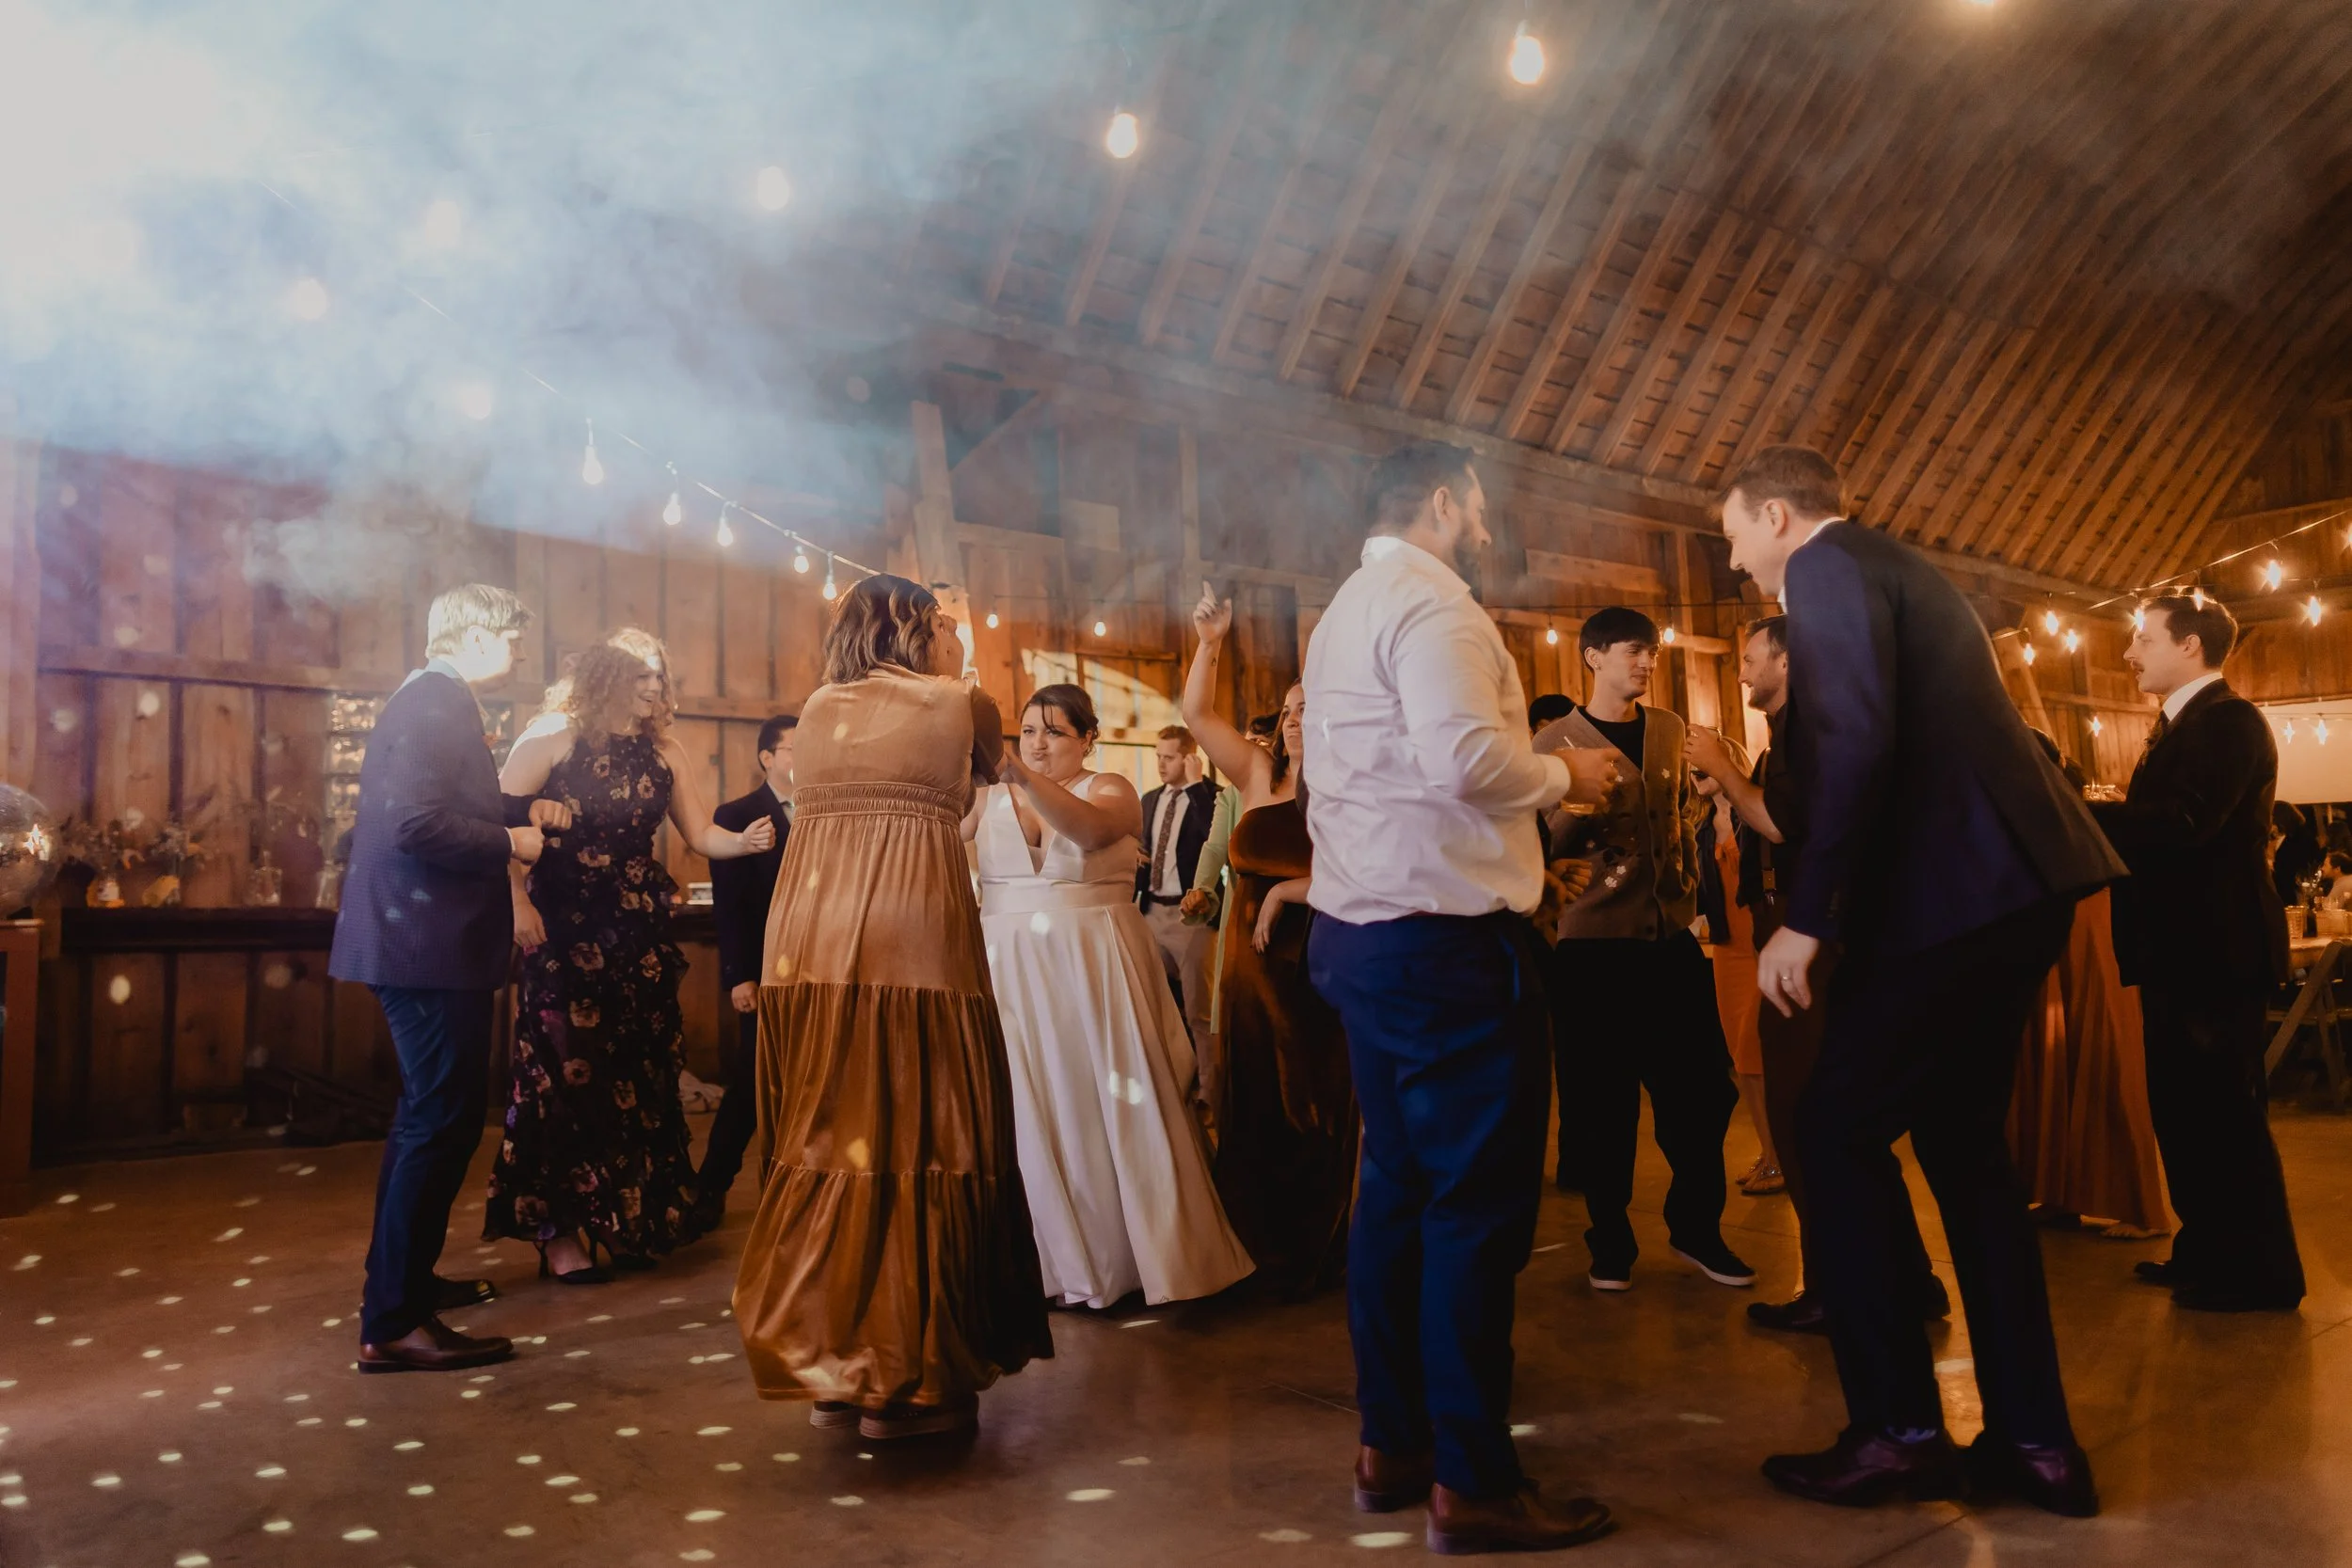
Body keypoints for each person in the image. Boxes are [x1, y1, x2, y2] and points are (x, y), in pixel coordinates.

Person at [1721, 445, 2123, 1518]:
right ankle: (2035, 1443)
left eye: (1734, 536)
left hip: (1957, 898)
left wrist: (1807, 917)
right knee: (1962, 1148)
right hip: (2006, 890)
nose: (1738, 562)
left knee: (1834, 1128)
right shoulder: (1891, 566)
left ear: (1774, 513)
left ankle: (1897, 1429)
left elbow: (1858, 737)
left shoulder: (1827, 565)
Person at [1303, 439, 1618, 1553]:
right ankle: (1475, 1480)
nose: (1484, 525)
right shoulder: (1435, 607)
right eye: (1477, 506)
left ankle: (1393, 1441)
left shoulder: (1343, 607)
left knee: (1394, 1196)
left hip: (1361, 934)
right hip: (1441, 951)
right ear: (1443, 502)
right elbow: (1462, 762)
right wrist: (1563, 772)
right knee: (1475, 1216)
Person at [734, 574, 1053, 1441]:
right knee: (924, 1131)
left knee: (829, 1135)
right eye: (946, 624)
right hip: (910, 931)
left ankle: (835, 1361)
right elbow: (996, 778)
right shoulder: (963, 701)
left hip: (806, 936)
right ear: (913, 631)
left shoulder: (819, 705)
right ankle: (910, 1378)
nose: (956, 639)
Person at [1687, 619, 1948, 1338]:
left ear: (1787, 659)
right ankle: (1910, 1279)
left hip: (1808, 948)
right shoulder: (1804, 734)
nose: (1740, 673)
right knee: (1845, 1125)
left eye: (1748, 659)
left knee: (1810, 1121)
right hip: (1812, 939)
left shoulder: (1809, 733)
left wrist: (1723, 766)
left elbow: (1776, 824)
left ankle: (1839, 1287)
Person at [485, 643, 774, 1281]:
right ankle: (558, 1233)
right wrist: (514, 903)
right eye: (641, 674)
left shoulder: (665, 751)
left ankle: (626, 1219)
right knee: (564, 1074)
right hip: (562, 926)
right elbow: (499, 822)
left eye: (660, 675)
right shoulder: (551, 737)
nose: (654, 686)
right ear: (605, 678)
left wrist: (748, 840)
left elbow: (699, 833)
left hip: (637, 932)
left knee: (634, 1076)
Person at [970, 684, 1253, 1309]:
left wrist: (1013, 766)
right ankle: (1051, 1261)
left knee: (1103, 1097)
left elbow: (1090, 831)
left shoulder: (1111, 791)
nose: (1038, 742)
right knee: (1031, 1106)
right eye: (1028, 730)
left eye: (1053, 731)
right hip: (1011, 971)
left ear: (1088, 739)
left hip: (1092, 967)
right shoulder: (987, 798)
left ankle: (1131, 1256)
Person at [332, 583, 548, 1373]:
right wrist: (511, 839)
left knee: (437, 1117)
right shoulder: (436, 703)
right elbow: (415, 823)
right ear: (479, 634)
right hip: (422, 944)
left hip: (420, 941)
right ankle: (392, 1320)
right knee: (438, 1120)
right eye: (515, 638)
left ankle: (406, 1283)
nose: (521, 652)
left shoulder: (433, 700)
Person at [2091, 594, 2304, 1311]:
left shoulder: (2229, 721)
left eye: (2144, 639)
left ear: (2190, 646)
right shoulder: (2180, 725)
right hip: (2179, 951)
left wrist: (2079, 809)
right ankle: (2207, 1249)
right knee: (2182, 1114)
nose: (2130, 653)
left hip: (2217, 952)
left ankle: (2262, 1275)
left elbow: (2183, 824)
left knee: (2225, 1117)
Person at [1537, 607, 1749, 1292]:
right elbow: (1534, 852)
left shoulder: (1669, 731)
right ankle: (1611, 1241)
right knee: (1601, 1105)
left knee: (1703, 1093)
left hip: (1670, 947)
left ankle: (1697, 1229)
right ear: (1593, 656)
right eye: (1632, 651)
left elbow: (1680, 825)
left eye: (1651, 653)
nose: (1645, 663)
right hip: (1592, 952)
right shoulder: (1551, 742)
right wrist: (1577, 807)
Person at [1183, 599, 1358, 1298]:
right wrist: (1210, 643)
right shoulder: (1256, 776)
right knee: (1249, 1104)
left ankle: (1317, 1247)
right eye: (1286, 707)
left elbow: (1365, 874)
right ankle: (1250, 1248)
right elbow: (1198, 714)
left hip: (1322, 961)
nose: (1292, 716)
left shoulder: (1353, 787)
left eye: (1307, 705)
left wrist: (1288, 892)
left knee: (1318, 1104)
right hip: (1251, 974)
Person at [693, 713, 796, 1232]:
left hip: (819, 968)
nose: (807, 759)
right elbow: (729, 908)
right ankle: (710, 1187)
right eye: (796, 749)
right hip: (761, 968)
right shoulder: (735, 815)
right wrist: (738, 976)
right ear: (768, 759)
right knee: (751, 1085)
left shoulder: (830, 812)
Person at [1692, 739, 1776, 1195]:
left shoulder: (1753, 819)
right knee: (1742, 1063)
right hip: (1728, 951)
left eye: (1702, 765)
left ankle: (1782, 1157)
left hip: (1762, 944)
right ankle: (1769, 1153)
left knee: (1759, 1056)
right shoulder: (1705, 828)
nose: (1695, 773)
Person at [1136, 723, 1220, 1052]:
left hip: (1192, 918)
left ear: (1189, 759)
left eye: (1169, 758)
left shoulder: (1210, 796)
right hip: (1152, 912)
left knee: (1200, 1014)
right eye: (1158, 756)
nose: (1160, 764)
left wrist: (1197, 785)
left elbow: (1216, 838)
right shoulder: (1149, 800)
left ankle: (1210, 1095)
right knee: (1155, 1008)